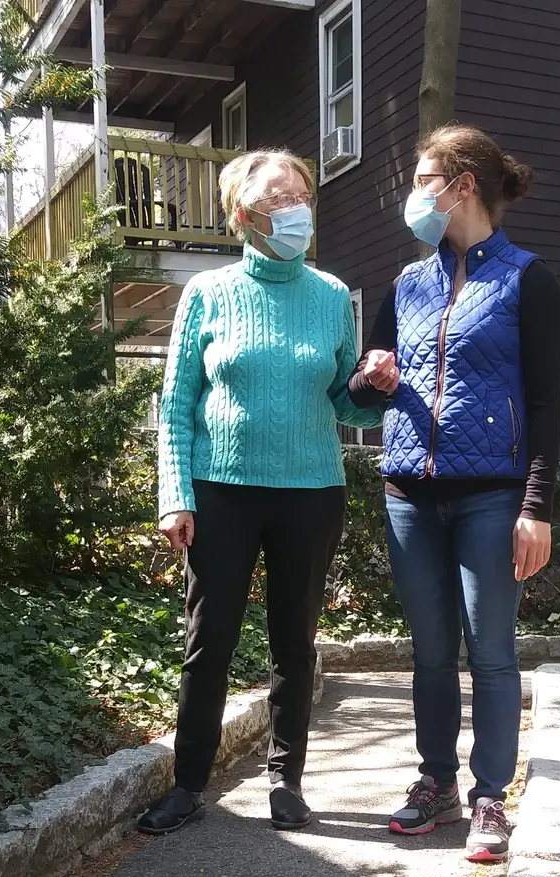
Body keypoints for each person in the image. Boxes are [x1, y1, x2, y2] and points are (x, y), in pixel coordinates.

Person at [138, 149, 381, 836]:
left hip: (311, 492)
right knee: (207, 641)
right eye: (279, 195)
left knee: (293, 643)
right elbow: (176, 401)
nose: (296, 205)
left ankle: (287, 780)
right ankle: (188, 784)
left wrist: (376, 391)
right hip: (221, 492)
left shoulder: (332, 295)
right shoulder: (208, 292)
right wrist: (174, 494)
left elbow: (346, 404)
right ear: (243, 213)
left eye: (302, 192)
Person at [347, 124, 560, 862]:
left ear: (460, 185)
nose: (415, 197)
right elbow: (366, 385)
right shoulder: (409, 283)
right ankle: (435, 782)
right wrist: (371, 377)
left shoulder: (527, 279)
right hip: (409, 492)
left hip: (490, 497)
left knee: (492, 652)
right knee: (431, 651)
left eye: (421, 181)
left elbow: (545, 403)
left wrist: (536, 507)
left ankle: (489, 798)